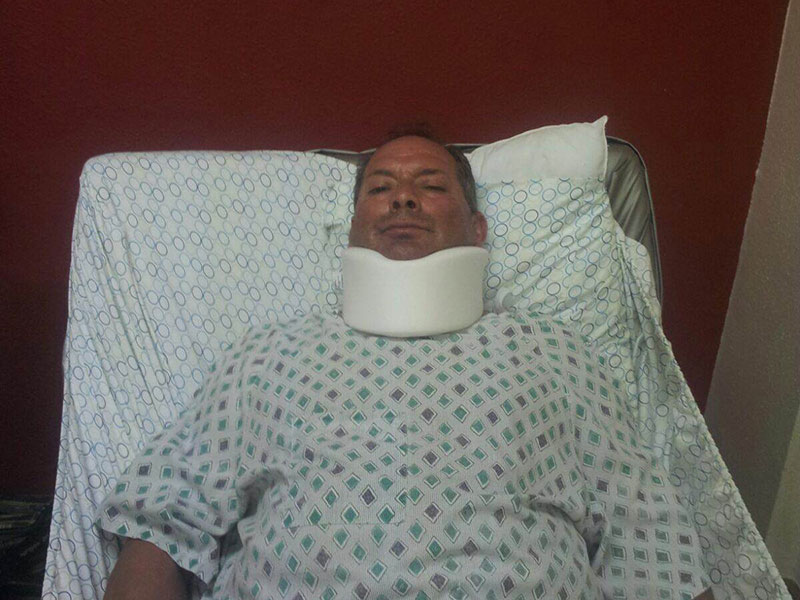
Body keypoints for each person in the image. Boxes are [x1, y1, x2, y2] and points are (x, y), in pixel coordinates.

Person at [99, 135, 714, 600]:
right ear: (351, 230)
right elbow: (162, 517)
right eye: (379, 188)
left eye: (432, 185)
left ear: (478, 228)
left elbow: (650, 538)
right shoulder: (266, 354)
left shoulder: (557, 354)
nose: (402, 197)